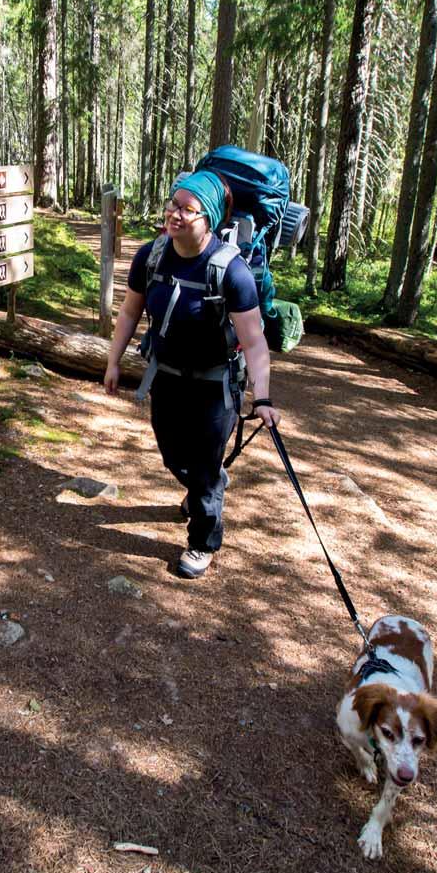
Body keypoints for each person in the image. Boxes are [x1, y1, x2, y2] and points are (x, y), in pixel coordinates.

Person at [104, 169, 281, 579]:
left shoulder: (230, 272)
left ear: (210, 219)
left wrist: (264, 396)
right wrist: (114, 360)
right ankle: (207, 484)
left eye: (188, 209)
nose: (176, 215)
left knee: (202, 468)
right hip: (165, 376)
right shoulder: (151, 256)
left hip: (214, 387)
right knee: (172, 454)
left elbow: (254, 343)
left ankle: (202, 541)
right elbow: (130, 311)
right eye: (173, 205)